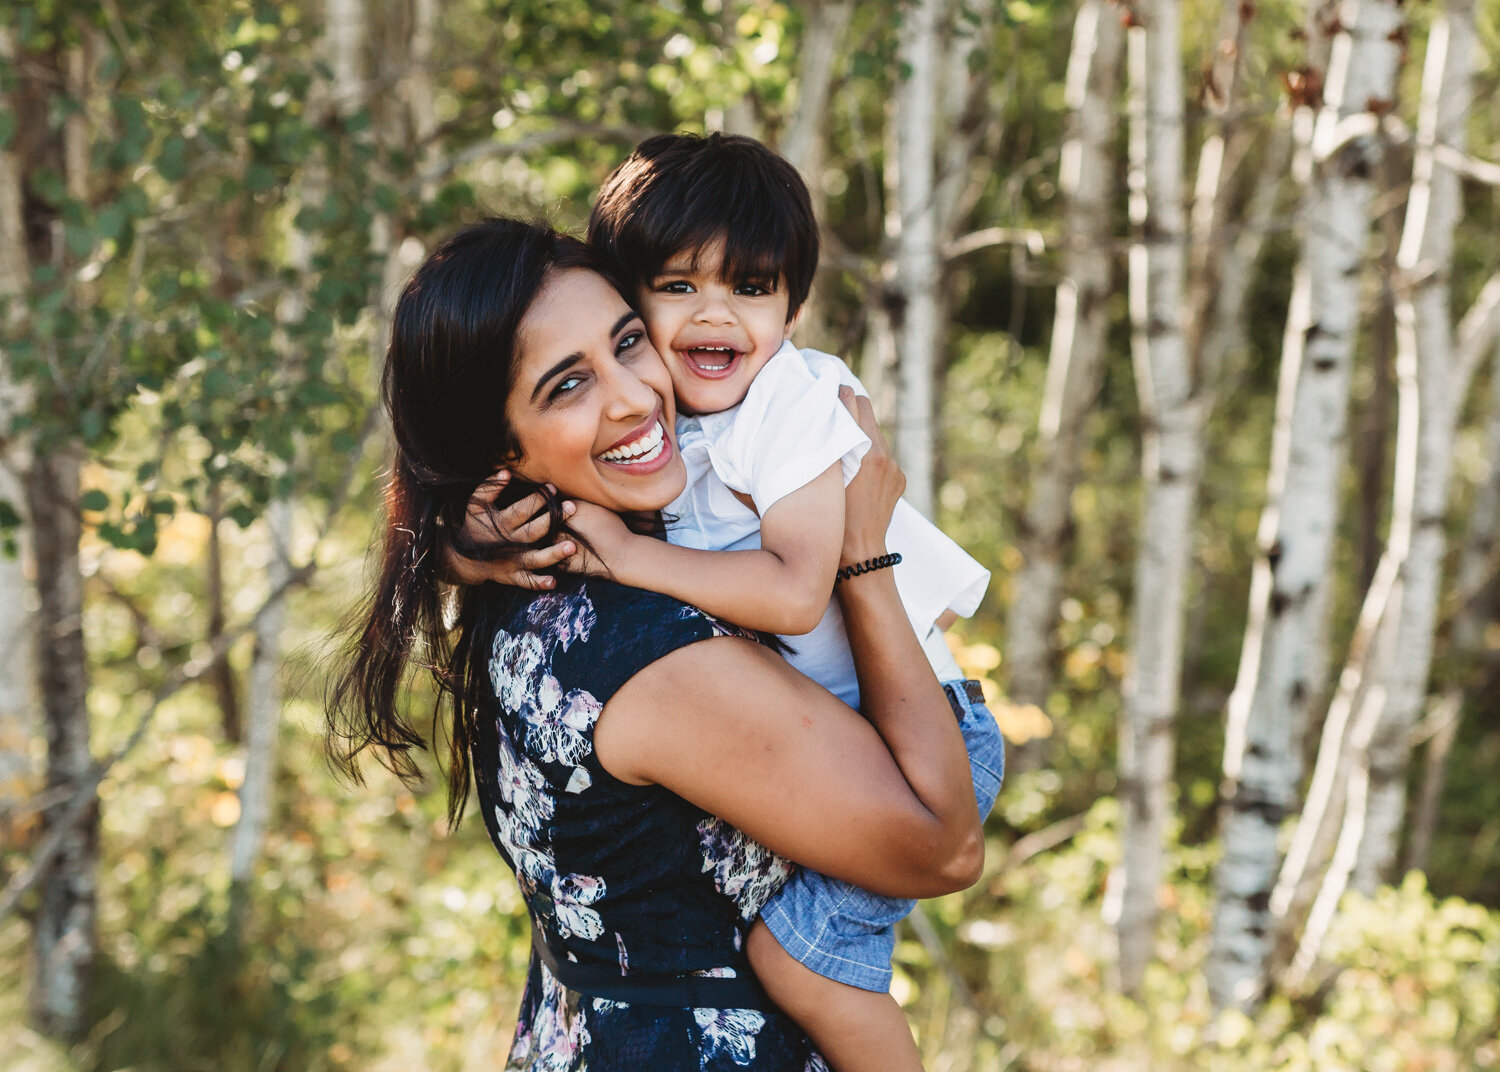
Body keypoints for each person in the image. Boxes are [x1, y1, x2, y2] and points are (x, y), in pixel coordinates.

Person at [329, 218, 987, 1072]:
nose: (635, 396)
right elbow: (944, 847)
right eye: (568, 386)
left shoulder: (534, 582)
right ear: (498, 445)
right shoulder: (649, 655)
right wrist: (863, 555)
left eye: (629, 342)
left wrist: (452, 541)